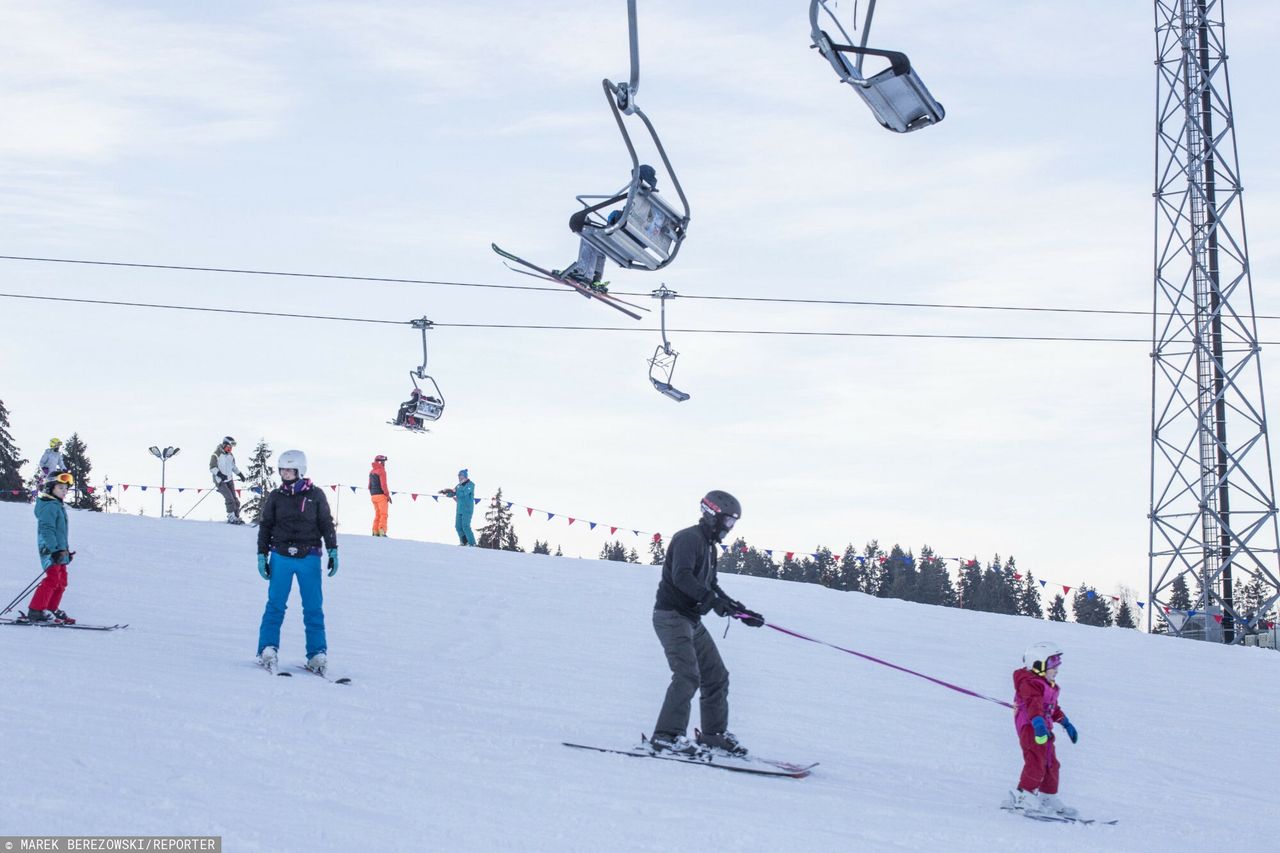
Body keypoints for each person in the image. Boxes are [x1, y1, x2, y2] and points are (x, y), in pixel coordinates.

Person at [650, 490, 765, 757]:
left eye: (733, 523)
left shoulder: (708, 547)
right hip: (671, 616)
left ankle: (713, 735)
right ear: (712, 514)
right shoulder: (688, 539)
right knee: (688, 675)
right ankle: (666, 736)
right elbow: (682, 578)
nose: (729, 528)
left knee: (716, 676)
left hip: (691, 620)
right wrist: (712, 601)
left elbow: (710, 585)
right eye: (727, 521)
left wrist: (739, 610)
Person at [255, 450, 339, 675]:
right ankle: (267, 648)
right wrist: (262, 555)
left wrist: (333, 550)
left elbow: (326, 523)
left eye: (290, 470)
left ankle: (317, 654)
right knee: (275, 605)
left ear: (300, 470)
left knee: (313, 607)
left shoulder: (316, 495)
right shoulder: (276, 496)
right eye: (282, 470)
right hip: (281, 556)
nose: (286, 474)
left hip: (309, 557)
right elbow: (266, 525)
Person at [1006, 642, 1079, 818]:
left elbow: (1052, 708)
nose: (1057, 668)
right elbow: (1033, 705)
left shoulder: (1048, 684)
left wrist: (1065, 722)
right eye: (1052, 664)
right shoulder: (1029, 684)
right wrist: (1038, 724)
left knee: (1051, 763)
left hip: (1043, 728)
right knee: (1036, 761)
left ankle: (1047, 796)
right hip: (1031, 728)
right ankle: (1024, 795)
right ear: (1038, 664)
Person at [22, 470, 78, 624]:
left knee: (61, 581)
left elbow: (59, 532)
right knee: (53, 579)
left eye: (66, 488)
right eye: (60, 488)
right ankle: (36, 610)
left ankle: (50, 608)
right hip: (50, 551)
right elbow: (47, 530)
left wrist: (65, 552)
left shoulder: (57, 505)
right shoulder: (49, 507)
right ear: (50, 488)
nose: (64, 491)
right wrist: (55, 550)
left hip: (59, 551)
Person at [209, 436, 246, 524]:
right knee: (230, 499)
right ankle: (231, 517)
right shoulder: (216, 454)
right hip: (220, 481)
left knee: (235, 500)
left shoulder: (230, 455)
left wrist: (240, 474)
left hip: (229, 480)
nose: (230, 449)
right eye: (229, 447)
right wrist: (220, 475)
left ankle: (236, 517)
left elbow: (233, 467)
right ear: (224, 445)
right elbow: (212, 467)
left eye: (231, 448)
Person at [439, 469, 476, 546]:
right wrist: (446, 492)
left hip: (467, 508)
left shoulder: (470, 484)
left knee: (465, 525)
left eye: (461, 475)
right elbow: (452, 493)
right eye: (459, 476)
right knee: (458, 526)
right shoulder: (458, 486)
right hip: (459, 509)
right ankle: (464, 542)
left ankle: (472, 543)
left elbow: (464, 493)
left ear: (465, 476)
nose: (460, 477)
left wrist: (454, 492)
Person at [369, 455, 391, 537]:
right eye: (383, 461)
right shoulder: (382, 471)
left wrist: (372, 494)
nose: (384, 463)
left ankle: (375, 531)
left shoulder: (371, 472)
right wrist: (387, 495)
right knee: (383, 514)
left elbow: (369, 486)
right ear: (379, 462)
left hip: (373, 496)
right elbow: (383, 485)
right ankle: (382, 531)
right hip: (381, 495)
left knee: (377, 514)